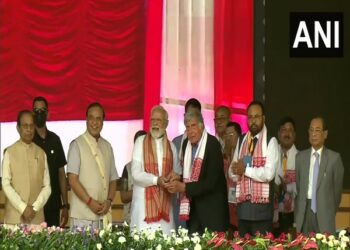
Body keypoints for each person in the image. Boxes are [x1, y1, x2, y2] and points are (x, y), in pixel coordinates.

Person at [165, 110, 229, 234]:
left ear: (202, 126)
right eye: (187, 127)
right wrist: (179, 177)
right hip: (194, 213)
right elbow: (192, 175)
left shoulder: (212, 144)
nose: (190, 131)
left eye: (193, 126)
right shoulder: (185, 145)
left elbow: (210, 182)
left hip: (212, 214)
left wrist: (183, 187)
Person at [230, 101, 279, 236]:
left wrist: (244, 170)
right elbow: (232, 171)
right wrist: (236, 172)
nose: (253, 121)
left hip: (262, 214)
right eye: (250, 117)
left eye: (256, 117)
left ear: (263, 118)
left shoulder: (270, 141)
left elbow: (268, 174)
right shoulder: (242, 141)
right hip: (243, 212)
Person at [67, 102, 118, 230]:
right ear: (86, 120)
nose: (94, 122)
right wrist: (90, 202)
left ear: (103, 121)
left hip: (103, 214)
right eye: (91, 118)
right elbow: (72, 180)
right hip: (82, 216)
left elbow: (113, 179)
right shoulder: (76, 144)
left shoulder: (107, 146)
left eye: (98, 118)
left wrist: (109, 201)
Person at [130, 105, 180, 234]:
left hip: (165, 210)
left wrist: (173, 178)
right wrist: (156, 180)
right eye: (153, 120)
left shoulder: (172, 147)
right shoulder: (140, 142)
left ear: (166, 123)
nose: (155, 123)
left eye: (159, 120)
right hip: (143, 211)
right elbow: (135, 174)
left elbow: (177, 173)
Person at [295, 116, 344, 235]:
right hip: (305, 213)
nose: (313, 134)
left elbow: (337, 192)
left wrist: (329, 210)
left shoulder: (334, 158)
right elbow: (298, 188)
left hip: (325, 214)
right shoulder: (300, 157)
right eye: (311, 130)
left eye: (317, 130)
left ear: (325, 134)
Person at [1, 110, 51, 225]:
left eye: (31, 126)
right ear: (18, 128)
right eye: (25, 126)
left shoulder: (41, 153)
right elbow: (5, 184)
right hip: (14, 219)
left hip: (36, 218)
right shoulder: (9, 152)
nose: (29, 129)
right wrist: (23, 207)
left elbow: (47, 186)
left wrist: (34, 208)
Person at [32, 96, 69, 227]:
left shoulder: (55, 140)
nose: (39, 114)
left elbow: (61, 174)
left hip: (53, 204)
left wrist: (65, 205)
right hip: (33, 206)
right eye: (36, 111)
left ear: (48, 113)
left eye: (42, 111)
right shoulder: (28, 141)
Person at [172, 97, 201, 229]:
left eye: (194, 115)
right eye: (188, 115)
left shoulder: (207, 143)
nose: (190, 118)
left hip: (199, 199)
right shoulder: (176, 142)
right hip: (180, 199)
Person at [274, 117, 298, 235]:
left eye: (290, 130)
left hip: (291, 216)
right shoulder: (270, 153)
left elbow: (303, 188)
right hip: (271, 214)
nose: (287, 133)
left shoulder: (300, 158)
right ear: (279, 134)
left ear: (294, 135)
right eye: (284, 130)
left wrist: (286, 187)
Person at [120, 129, 147, 224]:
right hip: (131, 219)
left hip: (150, 218)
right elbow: (123, 197)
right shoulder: (127, 168)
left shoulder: (155, 167)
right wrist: (144, 189)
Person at [223, 121, 242, 231]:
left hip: (239, 205)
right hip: (227, 207)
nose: (228, 138)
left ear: (239, 135)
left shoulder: (244, 153)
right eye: (226, 135)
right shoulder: (224, 156)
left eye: (231, 135)